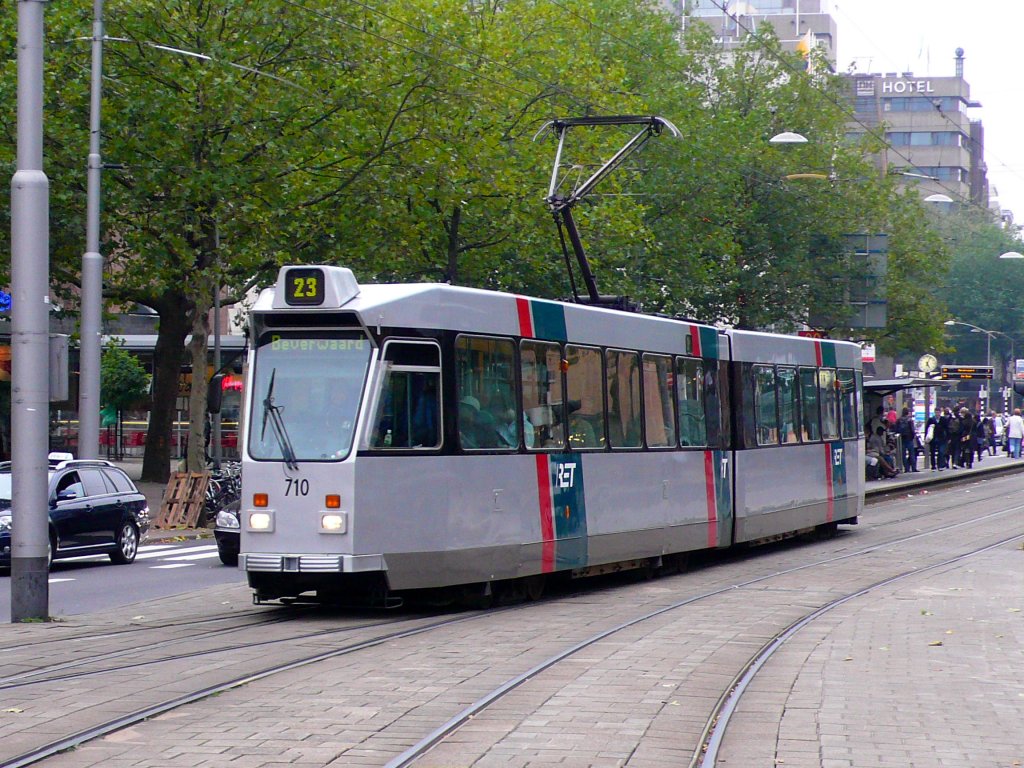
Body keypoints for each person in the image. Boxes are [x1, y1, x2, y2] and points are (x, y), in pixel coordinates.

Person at [896, 407, 918, 472]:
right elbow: (912, 430)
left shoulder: (899, 420)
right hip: (909, 438)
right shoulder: (910, 420)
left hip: (902, 439)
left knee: (903, 455)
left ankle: (906, 468)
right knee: (912, 453)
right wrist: (913, 436)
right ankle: (914, 468)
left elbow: (896, 429)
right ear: (907, 412)